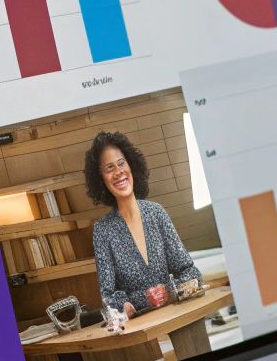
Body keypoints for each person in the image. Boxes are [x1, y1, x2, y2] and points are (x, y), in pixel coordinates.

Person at [83, 130, 201, 317]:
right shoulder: (102, 230)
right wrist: (144, 300)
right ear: (101, 179)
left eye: (121, 163)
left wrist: (158, 295)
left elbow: (189, 271)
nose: (118, 172)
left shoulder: (156, 213)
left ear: (131, 166)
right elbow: (108, 296)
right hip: (140, 328)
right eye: (109, 168)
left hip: (177, 315)